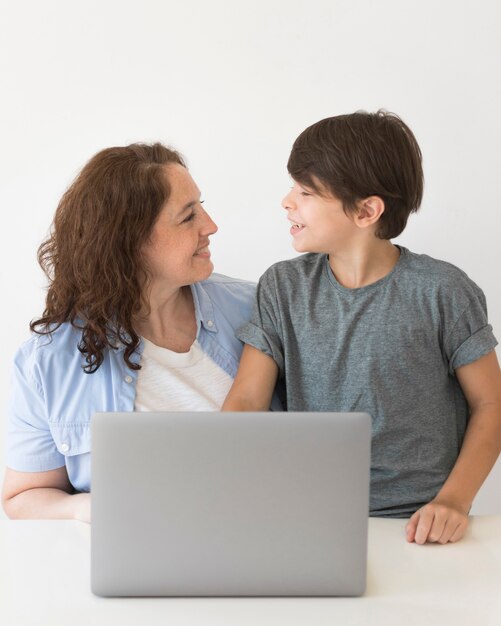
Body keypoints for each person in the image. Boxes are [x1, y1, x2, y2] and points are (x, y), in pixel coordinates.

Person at [222, 110, 501, 545]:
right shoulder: (283, 286)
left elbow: (490, 404)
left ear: (367, 211)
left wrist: (454, 501)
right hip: (307, 517)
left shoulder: (444, 291)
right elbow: (245, 401)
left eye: (306, 191)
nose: (287, 201)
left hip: (418, 525)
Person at [2, 143, 255, 523]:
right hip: (134, 560)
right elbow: (23, 496)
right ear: (130, 241)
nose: (210, 226)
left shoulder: (256, 310)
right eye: (188, 217)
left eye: (201, 206)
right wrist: (85, 508)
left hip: (257, 537)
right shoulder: (48, 360)